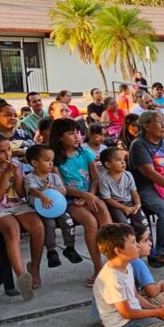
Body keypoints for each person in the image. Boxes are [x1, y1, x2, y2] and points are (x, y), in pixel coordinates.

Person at [0, 132, 44, 300]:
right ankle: (22, 276)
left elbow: (21, 193)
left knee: (38, 227)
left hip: (16, 204)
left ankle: (34, 268)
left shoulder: (16, 164)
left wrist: (17, 175)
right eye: (1, 151)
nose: (7, 155)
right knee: (12, 230)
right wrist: (5, 175)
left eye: (8, 150)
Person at [95, 223, 164, 327]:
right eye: (133, 242)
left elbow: (135, 296)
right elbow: (126, 313)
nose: (138, 246)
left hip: (133, 315)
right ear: (119, 251)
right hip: (122, 322)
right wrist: (158, 313)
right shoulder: (112, 278)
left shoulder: (126, 266)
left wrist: (157, 310)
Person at [50, 118, 110, 282]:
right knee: (90, 223)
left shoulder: (84, 153)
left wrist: (90, 194)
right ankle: (98, 267)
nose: (77, 136)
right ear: (60, 137)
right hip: (70, 200)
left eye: (78, 132)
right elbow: (61, 186)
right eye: (71, 133)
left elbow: (95, 179)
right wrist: (84, 196)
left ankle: (115, 263)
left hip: (90, 195)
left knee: (105, 217)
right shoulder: (55, 158)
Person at [129, 111, 164, 266]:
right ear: (147, 126)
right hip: (147, 187)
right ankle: (160, 252)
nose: (163, 126)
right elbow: (150, 173)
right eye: (159, 122)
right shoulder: (139, 145)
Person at [24, 144, 80, 268]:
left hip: (58, 208)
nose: (51, 163)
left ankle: (70, 247)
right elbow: (32, 190)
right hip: (42, 210)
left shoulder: (54, 177)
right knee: (49, 225)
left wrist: (54, 188)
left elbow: (64, 191)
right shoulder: (30, 178)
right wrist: (42, 195)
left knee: (68, 220)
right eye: (47, 160)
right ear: (34, 162)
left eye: (52, 160)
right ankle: (51, 251)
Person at [98, 147, 148, 230]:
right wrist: (123, 208)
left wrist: (138, 204)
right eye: (119, 160)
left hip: (129, 203)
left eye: (124, 159)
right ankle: (128, 240)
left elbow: (134, 192)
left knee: (142, 222)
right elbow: (107, 199)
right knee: (123, 224)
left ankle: (143, 241)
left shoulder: (128, 175)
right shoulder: (104, 179)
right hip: (115, 205)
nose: (123, 162)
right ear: (108, 164)